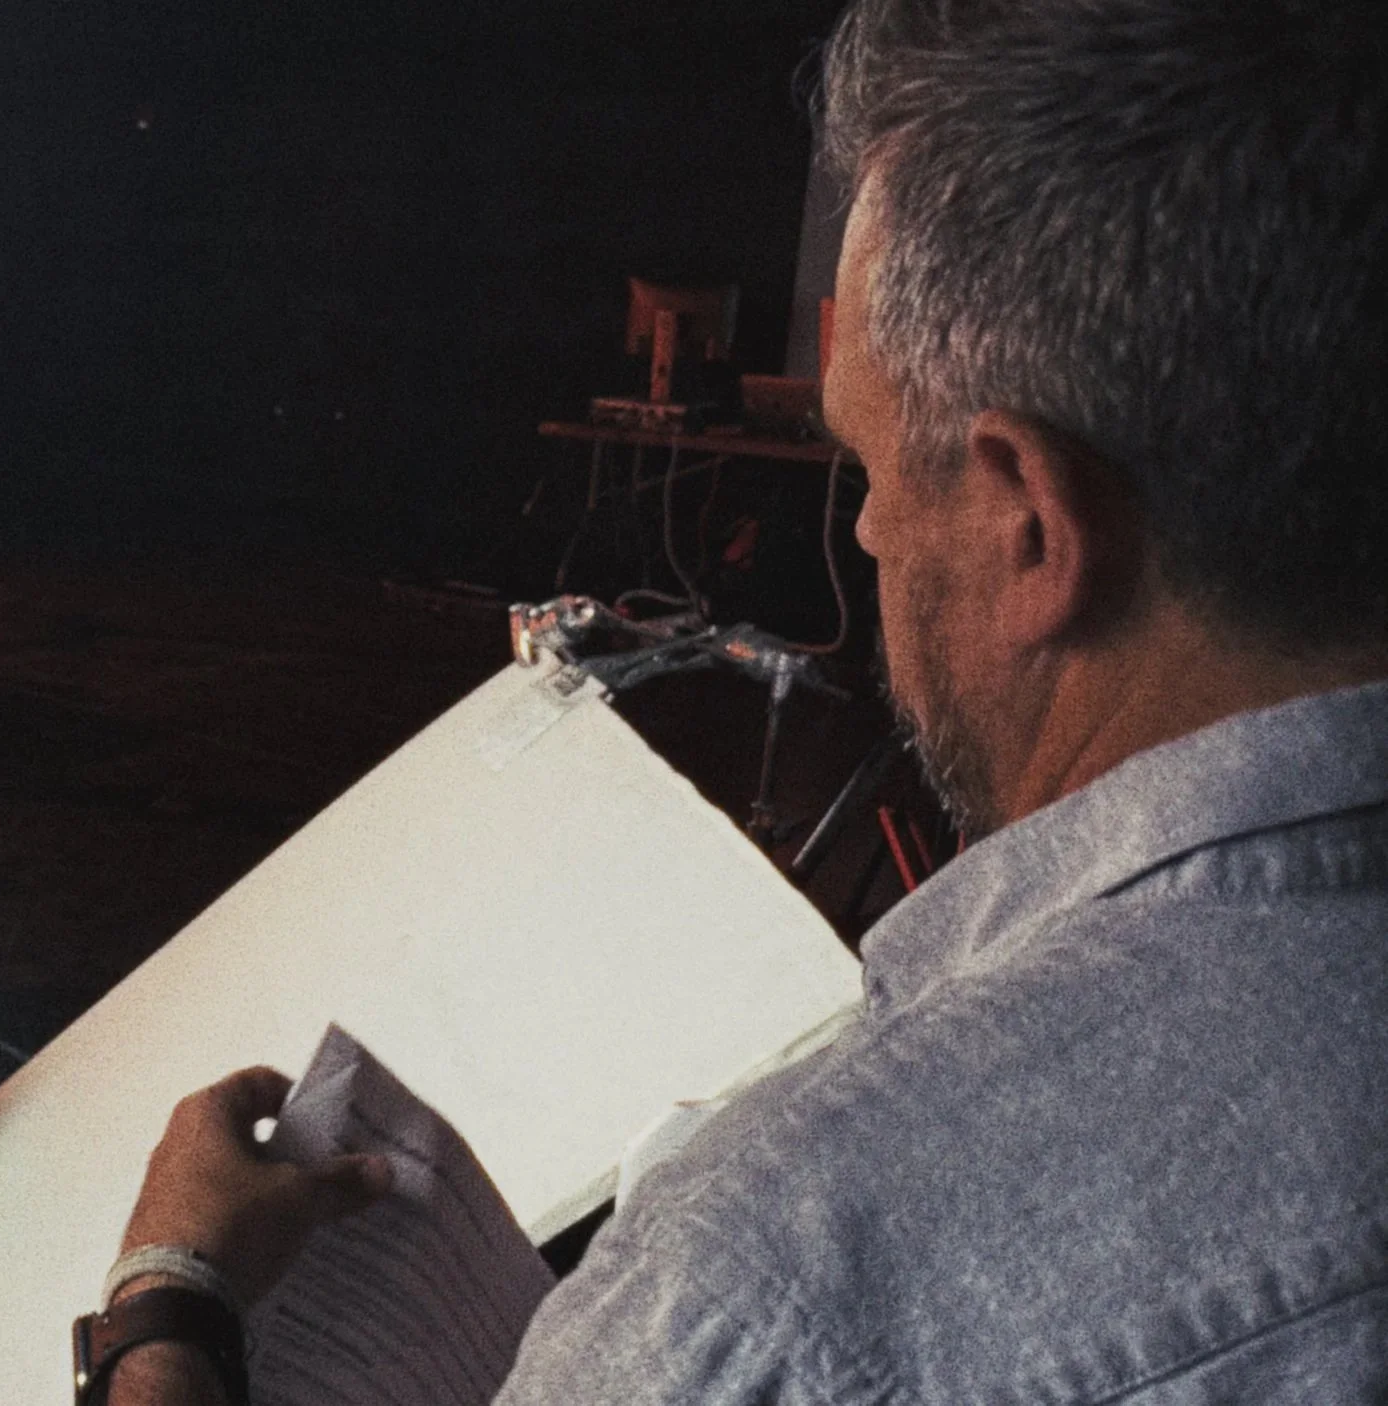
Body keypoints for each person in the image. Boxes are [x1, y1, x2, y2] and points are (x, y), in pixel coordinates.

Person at [93, 0, 1388, 1399]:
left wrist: (169, 1302)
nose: (872, 533)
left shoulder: (764, 1296)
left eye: (870, 463)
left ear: (1030, 526)